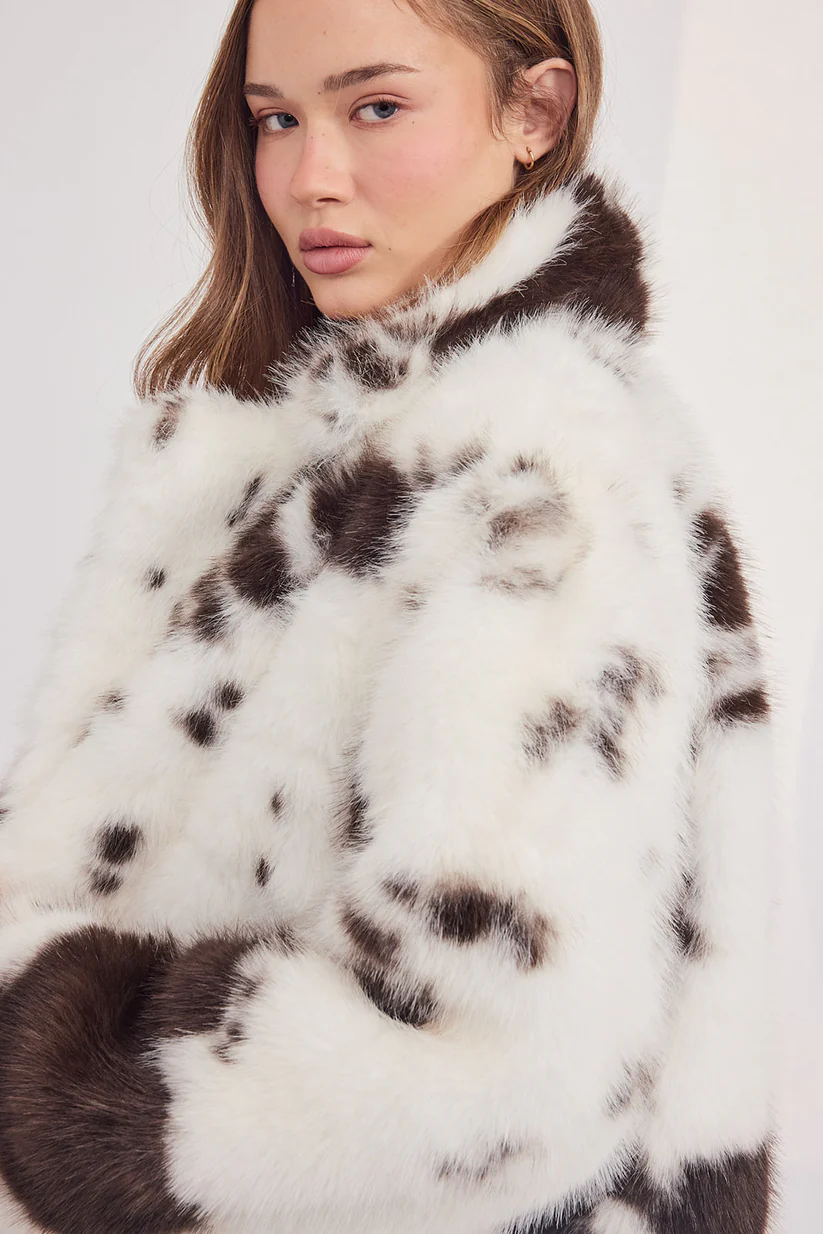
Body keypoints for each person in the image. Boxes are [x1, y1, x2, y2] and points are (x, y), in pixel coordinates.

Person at [0, 0, 783, 1231]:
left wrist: (45, 1057)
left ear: (534, 114)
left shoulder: (525, 476)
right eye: (275, 120)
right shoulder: (316, 442)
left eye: (376, 107)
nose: (309, 177)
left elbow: (473, 1073)